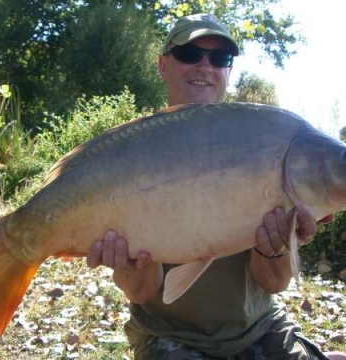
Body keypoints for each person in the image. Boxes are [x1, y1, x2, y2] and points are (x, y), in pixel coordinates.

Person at [87, 13, 346, 360]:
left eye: (220, 58)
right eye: (190, 54)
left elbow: (273, 284)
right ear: (164, 65)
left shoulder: (264, 139)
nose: (205, 66)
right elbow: (142, 290)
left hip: (259, 327)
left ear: (228, 71)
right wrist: (129, 264)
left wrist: (277, 247)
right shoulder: (138, 151)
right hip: (170, 335)